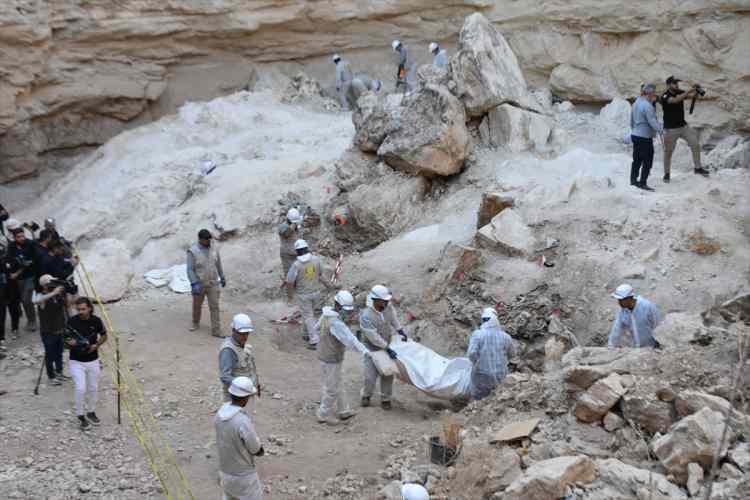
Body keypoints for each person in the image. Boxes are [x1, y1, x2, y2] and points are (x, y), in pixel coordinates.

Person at [315, 290, 370, 423]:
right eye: (346, 310)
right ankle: (323, 414)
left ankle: (343, 410)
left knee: (338, 383)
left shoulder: (325, 315)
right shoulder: (336, 323)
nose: (348, 313)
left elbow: (317, 328)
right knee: (332, 389)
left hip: (325, 354)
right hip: (331, 359)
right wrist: (365, 351)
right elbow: (350, 340)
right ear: (337, 305)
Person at [215, 376, 264, 500]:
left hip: (225, 472)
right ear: (245, 399)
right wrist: (260, 449)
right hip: (243, 476)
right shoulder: (242, 421)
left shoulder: (220, 414)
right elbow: (255, 448)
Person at [359, 285, 407, 410]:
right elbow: (373, 336)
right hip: (371, 349)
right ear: (375, 300)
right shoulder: (366, 316)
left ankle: (386, 399)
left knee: (388, 373)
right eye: (384, 300)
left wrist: (400, 330)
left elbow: (393, 319)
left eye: (387, 300)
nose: (386, 302)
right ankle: (366, 395)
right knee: (370, 376)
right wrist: (387, 348)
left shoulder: (388, 308)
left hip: (386, 344)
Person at [65, 297, 107, 430]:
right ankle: (80, 415)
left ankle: (91, 411)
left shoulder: (96, 320)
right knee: (80, 388)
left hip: (93, 359)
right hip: (76, 361)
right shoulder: (72, 321)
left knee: (93, 387)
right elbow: (65, 340)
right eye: (78, 309)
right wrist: (69, 343)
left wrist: (96, 345)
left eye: (83, 309)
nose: (81, 312)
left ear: (89, 308)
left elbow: (104, 335)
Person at [660, 76, 710, 182]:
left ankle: (698, 168)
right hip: (670, 129)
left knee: (695, 144)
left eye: (677, 83)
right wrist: (689, 90)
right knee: (668, 152)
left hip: (683, 126)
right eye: (674, 83)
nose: (677, 85)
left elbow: (689, 96)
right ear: (668, 85)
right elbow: (675, 100)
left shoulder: (680, 92)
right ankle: (667, 174)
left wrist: (697, 91)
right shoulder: (665, 95)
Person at [285, 239, 330, 349]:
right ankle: (306, 333)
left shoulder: (296, 265)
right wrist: (329, 285)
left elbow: (289, 282)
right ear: (307, 248)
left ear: (297, 251)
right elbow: (321, 275)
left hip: (303, 295)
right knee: (310, 315)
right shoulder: (316, 260)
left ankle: (314, 340)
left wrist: (290, 296)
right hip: (316, 293)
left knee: (308, 316)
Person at [467, 308, 517, 401]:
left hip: (481, 374)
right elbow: (512, 354)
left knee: (479, 399)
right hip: (500, 375)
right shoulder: (506, 337)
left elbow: (471, 353)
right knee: (497, 399)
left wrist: (476, 362)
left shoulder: (478, 334)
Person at [187, 229, 226, 337]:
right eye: (206, 240)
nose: (209, 242)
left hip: (213, 282)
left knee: (214, 306)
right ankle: (195, 322)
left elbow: (218, 264)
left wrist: (222, 276)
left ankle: (216, 330)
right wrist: (193, 283)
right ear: (200, 239)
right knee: (197, 305)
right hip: (199, 283)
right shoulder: (193, 251)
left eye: (210, 239)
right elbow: (190, 269)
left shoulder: (214, 249)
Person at [33, 275, 68, 386]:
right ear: (45, 285)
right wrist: (54, 293)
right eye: (51, 283)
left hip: (60, 330)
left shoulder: (57, 295)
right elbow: (37, 301)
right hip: (48, 332)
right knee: (49, 355)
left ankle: (59, 372)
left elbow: (67, 306)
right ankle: (51, 376)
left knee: (59, 354)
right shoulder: (41, 297)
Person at [630, 83, 663, 191]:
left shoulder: (635, 103)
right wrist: (661, 130)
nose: (654, 95)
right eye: (653, 93)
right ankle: (643, 182)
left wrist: (633, 130)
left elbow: (631, 120)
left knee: (637, 159)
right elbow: (652, 121)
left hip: (635, 135)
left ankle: (633, 180)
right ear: (649, 93)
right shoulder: (647, 105)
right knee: (647, 160)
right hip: (644, 137)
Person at [219, 314, 259, 402]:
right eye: (242, 334)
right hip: (236, 397)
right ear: (233, 330)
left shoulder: (243, 345)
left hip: (246, 394)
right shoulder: (228, 351)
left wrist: (256, 385)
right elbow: (224, 376)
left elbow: (251, 368)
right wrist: (244, 387)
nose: (245, 337)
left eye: (247, 333)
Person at [608, 284, 662, 349]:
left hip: (651, 348)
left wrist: (660, 343)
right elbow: (616, 330)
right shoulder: (623, 312)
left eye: (621, 300)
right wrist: (611, 346)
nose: (619, 302)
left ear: (629, 298)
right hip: (636, 350)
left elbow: (658, 325)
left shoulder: (647, 306)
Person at [6, 226, 39, 331]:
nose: (22, 238)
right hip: (19, 279)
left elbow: (33, 260)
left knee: (26, 299)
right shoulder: (11, 246)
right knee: (23, 300)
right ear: (14, 238)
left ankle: (32, 321)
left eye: (23, 236)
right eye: (19, 237)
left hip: (31, 276)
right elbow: (10, 260)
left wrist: (19, 270)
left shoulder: (30, 244)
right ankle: (30, 318)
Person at [0, 252, 22, 348]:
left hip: (12, 289)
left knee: (14, 310)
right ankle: (1, 338)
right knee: (1, 315)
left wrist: (16, 274)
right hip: (1, 292)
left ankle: (15, 329)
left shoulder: (9, 258)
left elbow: (22, 265)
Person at [278, 208, 303, 280]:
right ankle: (289, 287)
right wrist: (292, 226)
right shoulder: (283, 226)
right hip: (287, 255)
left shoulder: (296, 224)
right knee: (289, 274)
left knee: (300, 273)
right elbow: (286, 234)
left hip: (297, 253)